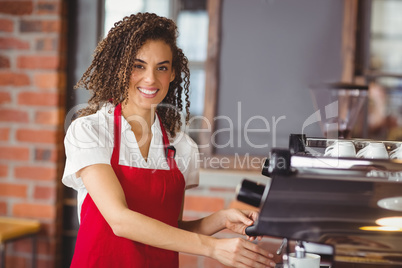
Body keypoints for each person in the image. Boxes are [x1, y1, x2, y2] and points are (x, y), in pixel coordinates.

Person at [62, 12, 276, 268]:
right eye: (138, 66)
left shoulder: (182, 146)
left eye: (161, 67)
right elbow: (119, 220)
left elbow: (169, 230)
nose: (151, 79)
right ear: (120, 67)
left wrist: (220, 219)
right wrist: (214, 248)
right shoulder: (89, 131)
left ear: (173, 73)